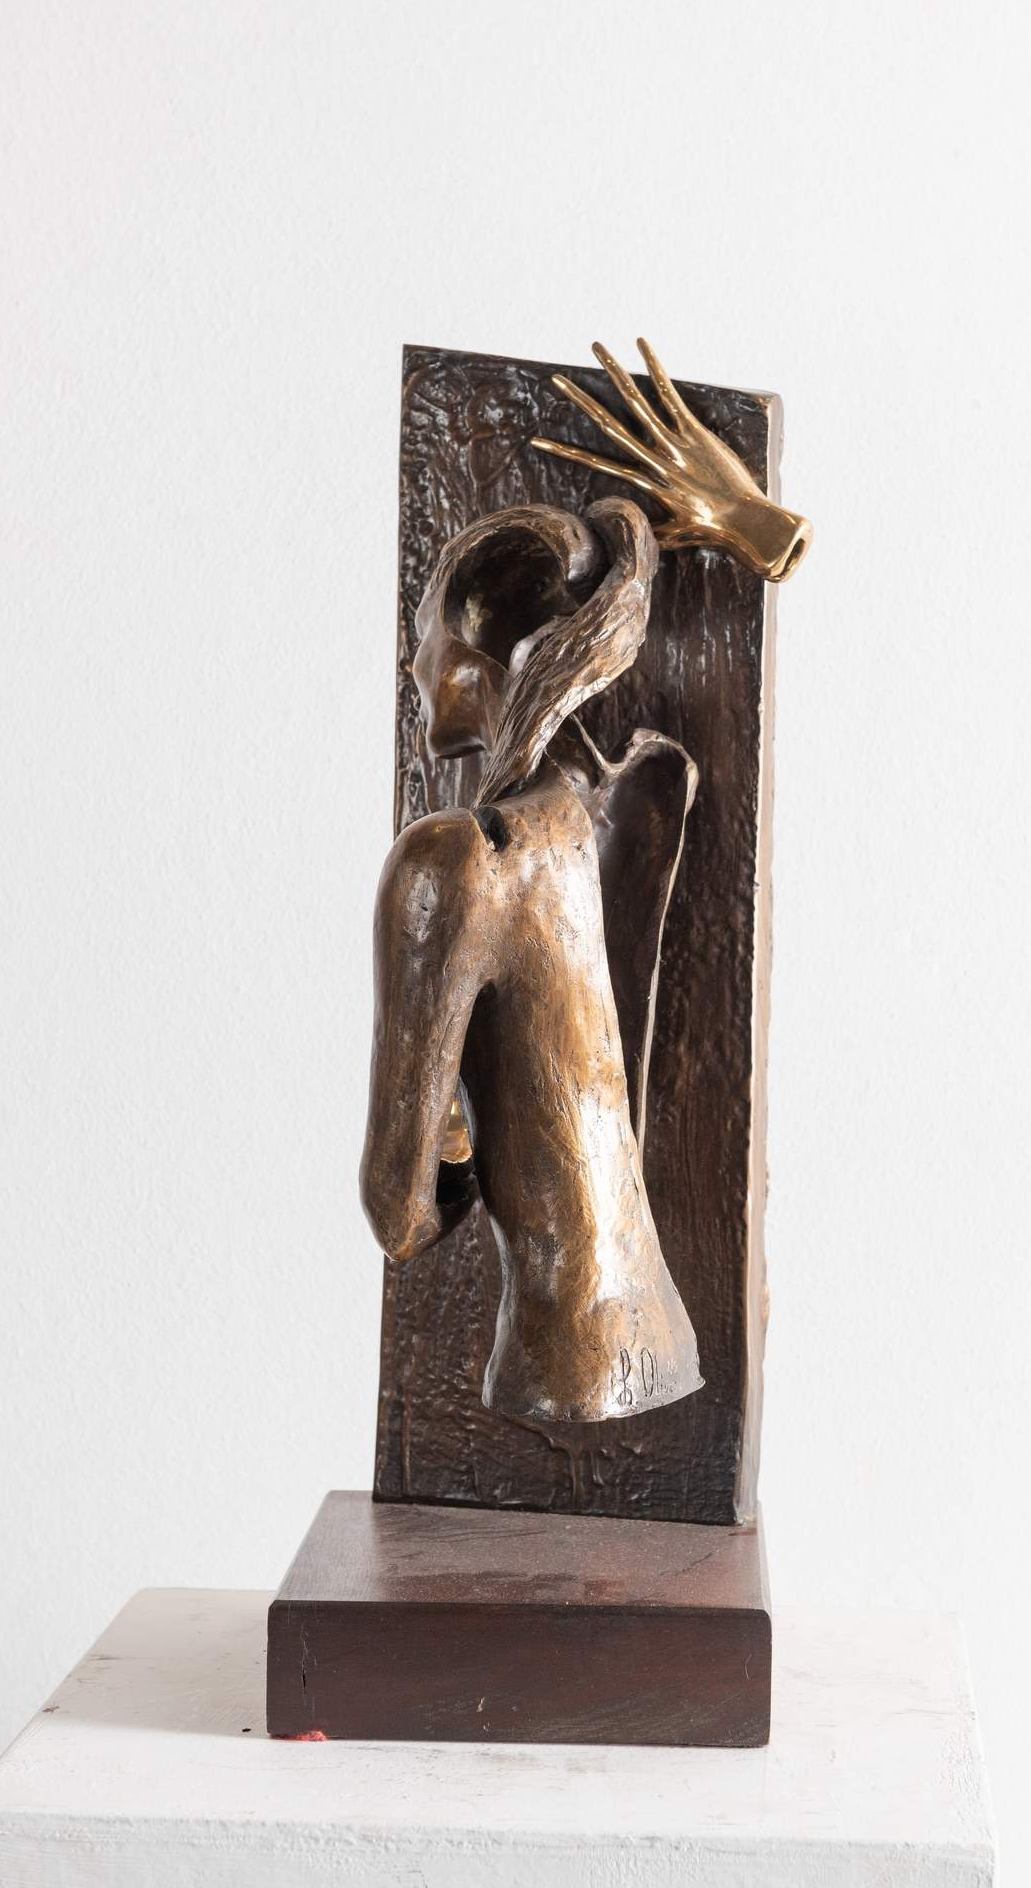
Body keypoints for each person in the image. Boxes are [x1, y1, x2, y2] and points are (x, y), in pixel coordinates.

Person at [360, 498, 703, 1423]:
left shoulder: (454, 861)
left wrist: (457, 1144)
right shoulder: (595, 813)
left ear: (471, 654)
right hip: (657, 1332)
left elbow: (397, 1213)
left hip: (556, 1358)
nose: (412, 663)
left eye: (421, 635)